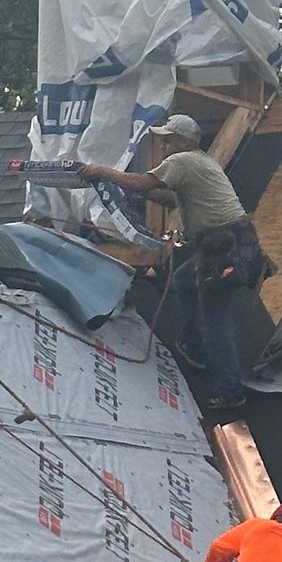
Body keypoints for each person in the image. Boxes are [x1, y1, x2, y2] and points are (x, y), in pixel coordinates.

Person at [73, 115, 268, 415]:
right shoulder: (200, 162)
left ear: (183, 141)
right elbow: (168, 197)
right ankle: (194, 348)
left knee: (215, 318)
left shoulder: (182, 161)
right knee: (183, 280)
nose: (163, 145)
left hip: (224, 248)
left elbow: (142, 182)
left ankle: (230, 390)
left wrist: (103, 172)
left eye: (167, 139)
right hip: (233, 243)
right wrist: (134, 189)